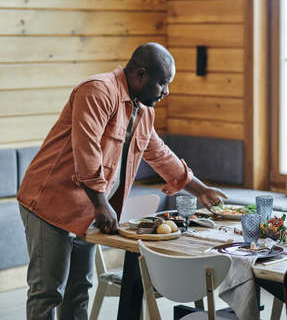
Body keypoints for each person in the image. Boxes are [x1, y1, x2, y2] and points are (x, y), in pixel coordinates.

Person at [18, 42, 226, 320]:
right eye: (163, 83)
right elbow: (87, 149)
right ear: (141, 74)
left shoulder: (143, 109)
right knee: (47, 293)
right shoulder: (97, 91)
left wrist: (199, 189)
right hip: (49, 204)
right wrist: (102, 203)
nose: (167, 91)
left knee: (79, 289)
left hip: (87, 209)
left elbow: (159, 153)